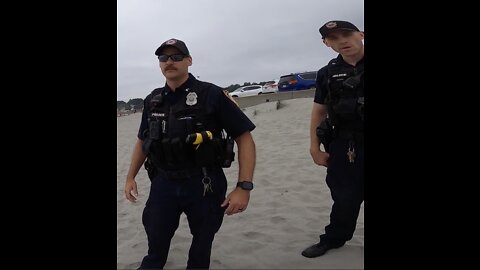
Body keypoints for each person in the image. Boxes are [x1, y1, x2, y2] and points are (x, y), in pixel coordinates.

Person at [124, 38, 256, 269]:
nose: (169, 62)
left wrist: (243, 187)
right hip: (163, 181)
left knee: (202, 242)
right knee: (156, 240)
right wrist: (130, 176)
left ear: (189, 60)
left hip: (204, 182)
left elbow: (244, 138)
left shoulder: (212, 95)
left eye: (176, 57)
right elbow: (142, 140)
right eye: (163, 58)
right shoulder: (153, 100)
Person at [302, 20, 364, 258]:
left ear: (360, 34)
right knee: (344, 198)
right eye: (334, 38)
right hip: (344, 145)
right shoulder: (326, 74)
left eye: (346, 34)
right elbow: (319, 111)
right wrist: (314, 147)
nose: (342, 41)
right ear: (327, 43)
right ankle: (335, 238)